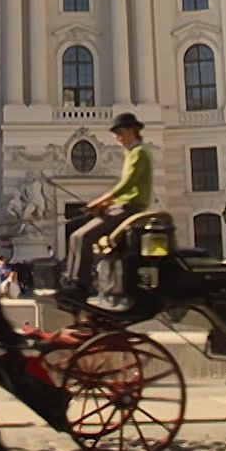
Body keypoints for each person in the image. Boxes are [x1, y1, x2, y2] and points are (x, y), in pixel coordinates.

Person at [62, 112, 153, 313]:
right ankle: (70, 281)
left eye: (119, 132)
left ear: (131, 131)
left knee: (83, 236)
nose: (116, 137)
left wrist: (101, 201)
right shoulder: (131, 154)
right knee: (76, 236)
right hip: (121, 206)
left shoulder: (139, 153)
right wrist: (104, 205)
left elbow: (127, 184)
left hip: (130, 208)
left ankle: (80, 287)